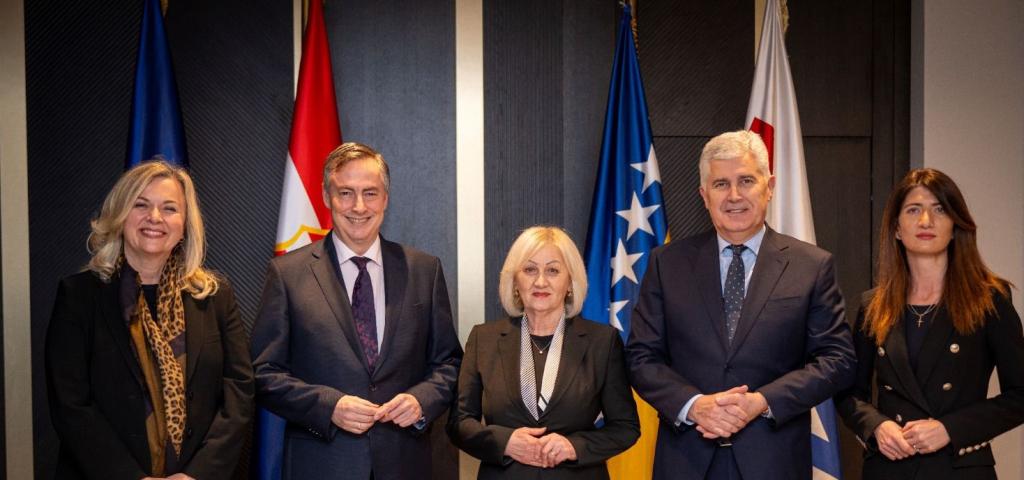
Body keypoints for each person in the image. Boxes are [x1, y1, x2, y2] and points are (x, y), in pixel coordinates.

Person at [625, 130, 856, 480]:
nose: (734, 195)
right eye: (721, 184)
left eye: (746, 181)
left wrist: (761, 402)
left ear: (769, 186)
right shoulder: (666, 264)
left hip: (774, 463)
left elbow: (837, 360)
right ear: (704, 195)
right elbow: (641, 357)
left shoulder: (812, 265)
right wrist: (694, 406)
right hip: (687, 461)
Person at [250, 142, 463, 479]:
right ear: (326, 197)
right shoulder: (287, 275)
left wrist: (421, 400)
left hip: (405, 465)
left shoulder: (425, 270)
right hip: (322, 466)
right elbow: (264, 373)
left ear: (386, 199)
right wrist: (329, 406)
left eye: (370, 193)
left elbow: (449, 363)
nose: (359, 206)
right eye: (346, 193)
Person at [45, 161, 253, 479]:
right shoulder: (79, 296)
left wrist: (197, 474)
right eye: (140, 205)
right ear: (120, 215)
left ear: (185, 224)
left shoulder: (215, 296)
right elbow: (70, 403)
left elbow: (239, 391)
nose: (154, 217)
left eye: (169, 208)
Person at [835, 168, 1024, 479]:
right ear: (897, 228)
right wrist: (877, 426)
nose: (926, 221)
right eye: (913, 210)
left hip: (959, 470)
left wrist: (950, 429)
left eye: (939, 209)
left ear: (955, 225)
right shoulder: (873, 305)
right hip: (890, 468)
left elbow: (1020, 395)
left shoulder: (989, 299)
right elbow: (849, 393)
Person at [448, 226, 639, 479]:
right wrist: (505, 442)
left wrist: (574, 447)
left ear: (570, 282)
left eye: (553, 270)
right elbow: (459, 423)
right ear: (515, 282)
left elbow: (626, 427)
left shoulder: (602, 342)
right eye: (529, 270)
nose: (540, 281)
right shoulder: (484, 339)